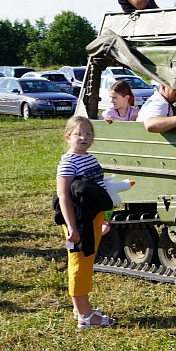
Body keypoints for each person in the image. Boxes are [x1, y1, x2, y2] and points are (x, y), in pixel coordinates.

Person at [55, 116, 116, 329]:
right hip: (78, 220)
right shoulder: (68, 162)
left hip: (92, 218)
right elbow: (63, 196)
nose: (84, 138)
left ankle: (81, 308)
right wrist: (72, 227)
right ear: (67, 137)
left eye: (89, 133)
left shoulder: (89, 159)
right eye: (78, 134)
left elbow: (100, 190)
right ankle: (85, 316)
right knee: (80, 265)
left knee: (87, 261)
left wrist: (103, 218)